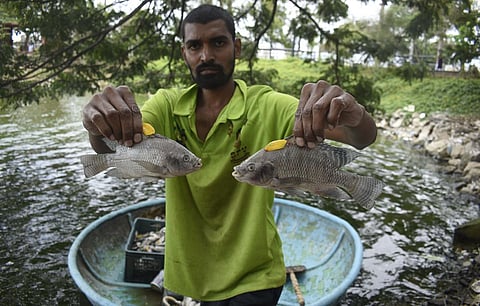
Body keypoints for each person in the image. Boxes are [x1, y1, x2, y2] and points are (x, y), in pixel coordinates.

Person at [82, 4, 377, 306]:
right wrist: (97, 125)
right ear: (183, 52)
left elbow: (359, 139)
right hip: (187, 274)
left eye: (218, 43)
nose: (206, 55)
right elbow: (110, 146)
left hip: (254, 276)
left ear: (236, 47)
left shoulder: (268, 106)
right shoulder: (166, 106)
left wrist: (354, 115)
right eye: (195, 45)